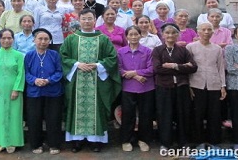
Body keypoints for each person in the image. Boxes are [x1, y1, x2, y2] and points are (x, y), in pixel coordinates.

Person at [60, 9, 121, 153]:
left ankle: (96, 141)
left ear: (95, 20)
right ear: (79, 20)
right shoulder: (71, 38)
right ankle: (77, 141)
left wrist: (98, 65)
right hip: (76, 81)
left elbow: (112, 58)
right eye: (84, 19)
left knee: (96, 108)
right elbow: (63, 56)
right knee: (76, 108)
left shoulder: (103, 38)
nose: (87, 22)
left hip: (97, 82)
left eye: (90, 19)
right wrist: (76, 64)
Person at [152, 23, 197, 150]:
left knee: (183, 115)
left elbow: (193, 67)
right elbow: (158, 69)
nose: (170, 35)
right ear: (162, 35)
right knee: (165, 115)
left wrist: (173, 66)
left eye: (173, 33)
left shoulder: (183, 50)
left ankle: (183, 143)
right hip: (164, 87)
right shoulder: (157, 50)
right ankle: (165, 143)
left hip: (181, 87)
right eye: (167, 33)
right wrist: (183, 67)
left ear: (178, 35)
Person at [186, 23, 226, 149]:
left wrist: (223, 86)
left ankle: (214, 142)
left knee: (214, 114)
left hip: (214, 83)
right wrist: (188, 85)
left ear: (212, 32)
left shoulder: (217, 48)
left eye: (209, 29)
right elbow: (187, 67)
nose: (206, 32)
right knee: (197, 114)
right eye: (203, 29)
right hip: (196, 83)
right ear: (198, 31)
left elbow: (220, 67)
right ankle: (198, 142)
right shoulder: (190, 47)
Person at [24, 28, 63, 155]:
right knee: (34, 119)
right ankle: (36, 144)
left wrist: (48, 80)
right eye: (40, 39)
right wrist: (34, 80)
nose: (43, 41)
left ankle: (54, 144)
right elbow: (26, 73)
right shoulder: (29, 55)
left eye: (46, 39)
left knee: (53, 118)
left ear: (50, 41)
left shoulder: (54, 54)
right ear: (34, 40)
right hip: (34, 92)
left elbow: (59, 72)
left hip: (53, 91)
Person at [0, 29, 25, 154]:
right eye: (4, 38)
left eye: (9, 38)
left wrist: (16, 89)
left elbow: (21, 73)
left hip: (13, 90)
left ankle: (12, 141)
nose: (6, 40)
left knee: (14, 115)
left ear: (13, 39)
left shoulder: (19, 55)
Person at [118, 26, 155, 152]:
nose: (133, 37)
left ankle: (143, 140)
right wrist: (137, 76)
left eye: (136, 34)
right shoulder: (121, 52)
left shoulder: (147, 51)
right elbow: (119, 69)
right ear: (126, 37)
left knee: (146, 115)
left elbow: (151, 69)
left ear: (140, 35)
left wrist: (135, 73)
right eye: (131, 35)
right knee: (128, 115)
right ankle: (126, 140)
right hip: (128, 88)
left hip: (146, 87)